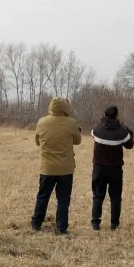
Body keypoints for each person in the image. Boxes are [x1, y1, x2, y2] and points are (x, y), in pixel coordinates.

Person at [32, 98, 81, 235]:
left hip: (47, 168)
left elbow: (37, 141)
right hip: (65, 169)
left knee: (42, 196)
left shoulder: (42, 122)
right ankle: (61, 228)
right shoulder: (72, 123)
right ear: (66, 108)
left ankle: (36, 224)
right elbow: (78, 141)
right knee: (63, 199)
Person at [90, 106, 134, 230]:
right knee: (115, 197)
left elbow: (93, 134)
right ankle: (114, 223)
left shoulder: (97, 129)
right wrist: (128, 131)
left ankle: (95, 222)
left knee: (98, 196)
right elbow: (129, 145)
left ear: (105, 114)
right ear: (116, 115)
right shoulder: (121, 131)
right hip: (115, 169)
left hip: (99, 168)